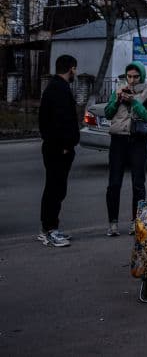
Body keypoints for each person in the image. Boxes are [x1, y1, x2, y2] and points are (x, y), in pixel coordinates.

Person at [103, 61, 147, 237]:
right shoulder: (118, 90)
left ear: (142, 77)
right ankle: (113, 223)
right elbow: (108, 113)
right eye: (129, 76)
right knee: (114, 183)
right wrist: (116, 100)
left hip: (138, 140)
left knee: (138, 184)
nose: (131, 80)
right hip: (119, 140)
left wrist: (134, 102)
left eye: (136, 77)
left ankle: (135, 221)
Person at [38, 54, 79, 247]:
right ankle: (49, 230)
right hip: (58, 149)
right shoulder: (59, 90)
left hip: (55, 147)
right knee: (55, 190)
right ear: (71, 68)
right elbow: (59, 122)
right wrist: (64, 146)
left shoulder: (54, 88)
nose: (76, 73)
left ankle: (49, 228)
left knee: (56, 189)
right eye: (75, 69)